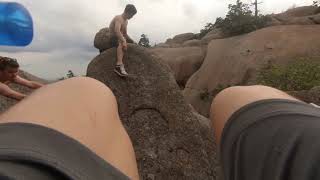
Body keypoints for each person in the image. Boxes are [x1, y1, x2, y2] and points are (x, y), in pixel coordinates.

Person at [0, 77, 320, 179]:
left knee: (85, 89)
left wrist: (39, 87)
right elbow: (13, 88)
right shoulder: (118, 22)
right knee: (236, 97)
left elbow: (19, 85)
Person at [109, 4, 137, 77]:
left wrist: (132, 41)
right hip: (112, 38)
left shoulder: (126, 21)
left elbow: (125, 34)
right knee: (122, 41)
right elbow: (117, 31)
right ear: (127, 12)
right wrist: (124, 41)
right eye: (132, 15)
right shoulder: (118, 18)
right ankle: (119, 65)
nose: (132, 17)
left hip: (119, 38)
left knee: (126, 41)